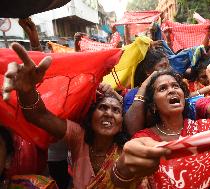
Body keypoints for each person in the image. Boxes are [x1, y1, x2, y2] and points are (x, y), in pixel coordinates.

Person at [2, 43, 127, 189]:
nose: (108, 113)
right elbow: (39, 116)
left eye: (116, 110)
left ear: (122, 123)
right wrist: (27, 91)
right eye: (102, 107)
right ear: (91, 117)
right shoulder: (78, 137)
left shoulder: (127, 150)